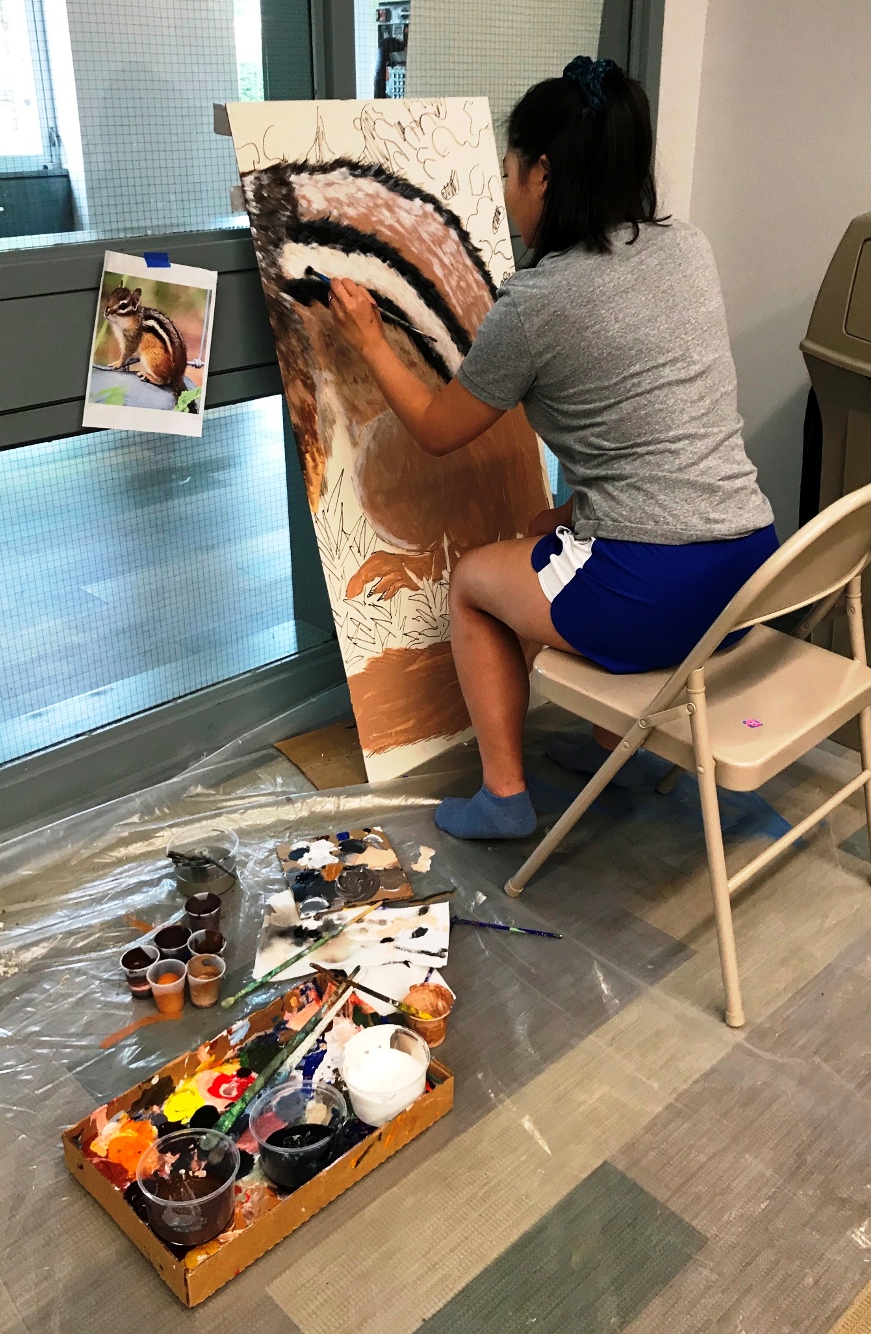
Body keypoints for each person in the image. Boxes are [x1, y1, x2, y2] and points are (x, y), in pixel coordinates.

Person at [328, 55, 777, 841]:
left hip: (660, 594)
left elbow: (437, 430)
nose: (506, 194)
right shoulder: (686, 246)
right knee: (548, 529)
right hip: (749, 574)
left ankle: (503, 797)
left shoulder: (538, 302)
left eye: (508, 173)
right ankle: (616, 751)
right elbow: (653, 431)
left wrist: (368, 338)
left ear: (541, 173)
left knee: (474, 581)